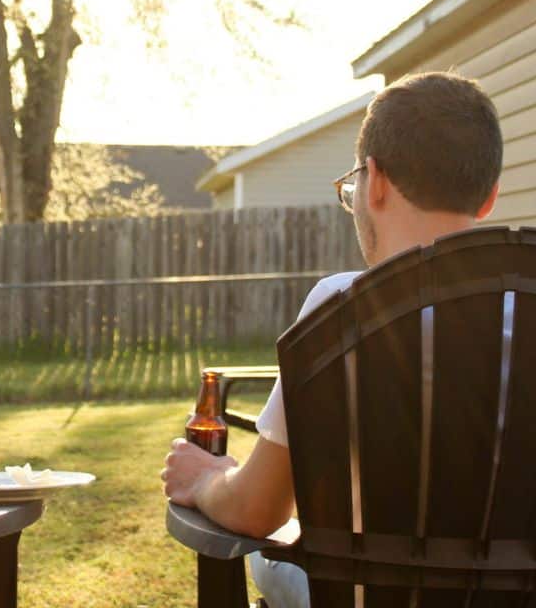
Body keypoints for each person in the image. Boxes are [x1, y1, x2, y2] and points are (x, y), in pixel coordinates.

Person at [160, 72, 504, 608]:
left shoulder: (345, 306)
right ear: (488, 199)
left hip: (382, 595)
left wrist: (209, 478)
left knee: (270, 556)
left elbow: (257, 511)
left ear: (376, 180)